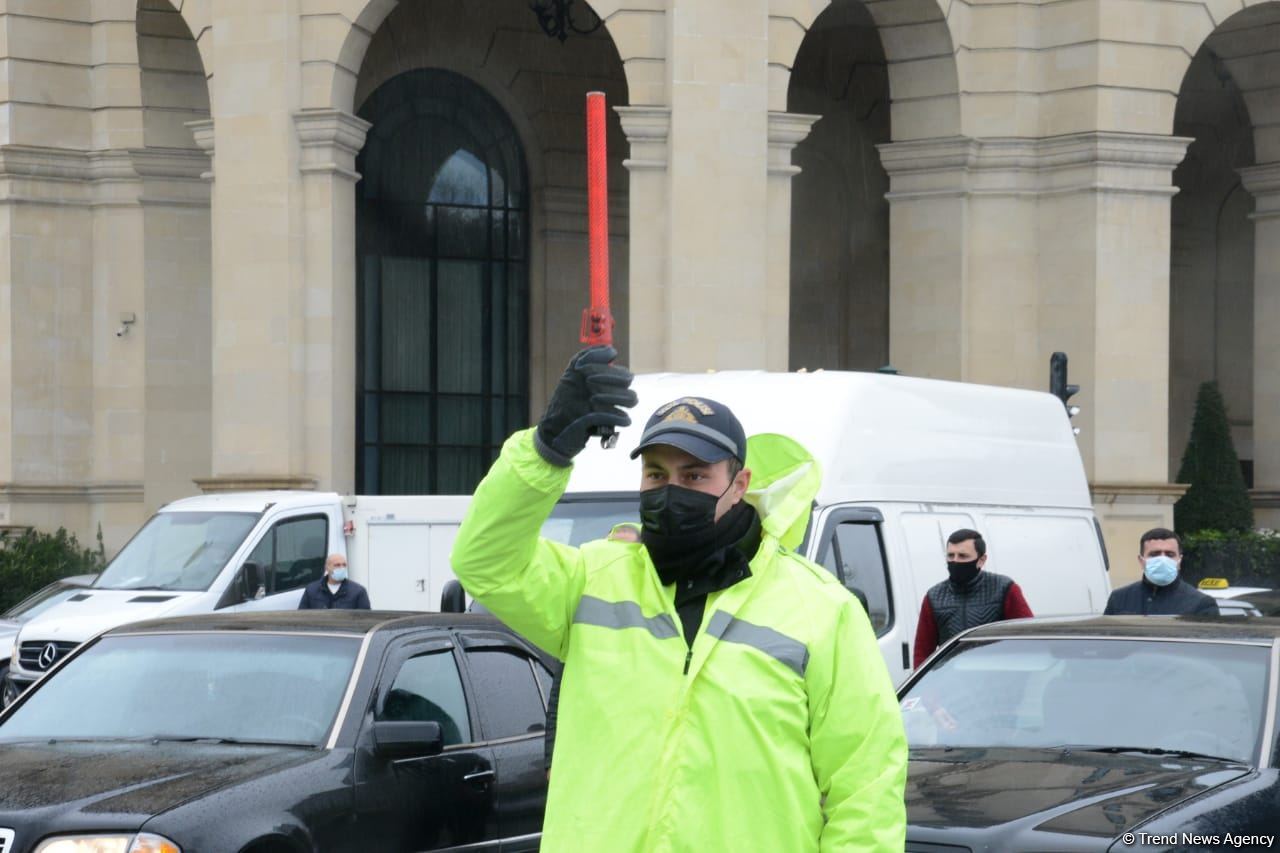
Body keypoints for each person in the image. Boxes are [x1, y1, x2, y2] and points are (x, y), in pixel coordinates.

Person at [451, 346, 906, 852]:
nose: (671, 490)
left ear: (740, 484)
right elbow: (484, 561)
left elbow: (865, 787)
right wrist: (544, 452)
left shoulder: (822, 609)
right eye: (656, 474)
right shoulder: (592, 581)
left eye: (694, 476)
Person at [913, 528, 1033, 669]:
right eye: (951, 555)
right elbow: (922, 653)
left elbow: (1029, 639)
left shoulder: (1004, 589)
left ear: (981, 560)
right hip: (951, 680)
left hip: (999, 679)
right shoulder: (934, 597)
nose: (955, 561)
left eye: (963, 556)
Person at [1103, 527, 1218, 615]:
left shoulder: (1201, 604)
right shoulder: (1119, 599)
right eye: (1154, 554)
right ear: (1141, 561)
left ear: (1179, 560)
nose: (1163, 559)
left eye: (1169, 554)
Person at [297, 554, 370, 610]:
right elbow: (302, 616)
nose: (342, 568)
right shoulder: (312, 590)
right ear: (327, 567)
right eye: (337, 565)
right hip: (320, 629)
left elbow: (365, 619)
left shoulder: (358, 591)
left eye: (344, 565)